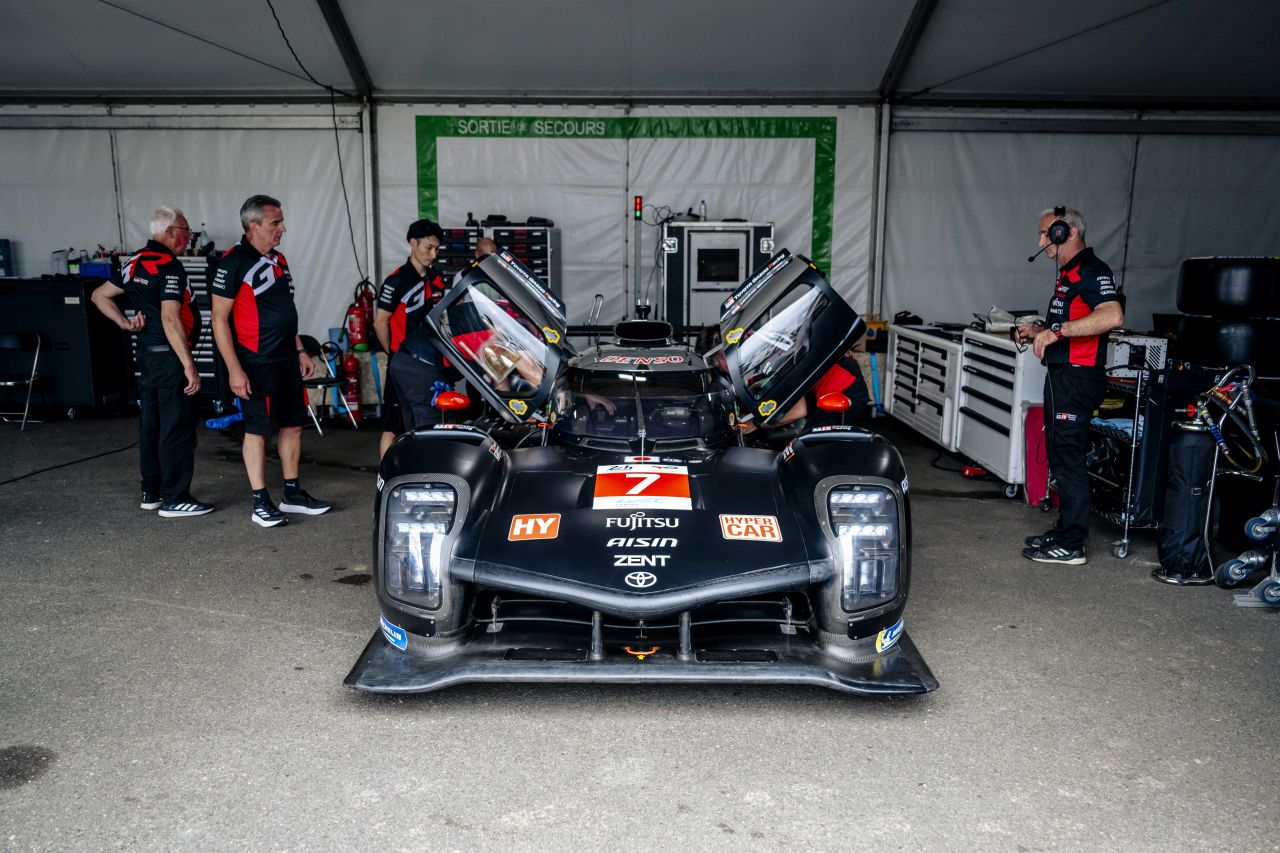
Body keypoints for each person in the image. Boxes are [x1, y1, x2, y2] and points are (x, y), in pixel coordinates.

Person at [210, 194, 331, 528]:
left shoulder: (279, 260)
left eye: (281, 221)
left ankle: (292, 493)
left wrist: (300, 350)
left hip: (286, 360)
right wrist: (235, 370)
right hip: (255, 363)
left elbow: (285, 312)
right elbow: (219, 320)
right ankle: (260, 501)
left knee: (293, 425)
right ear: (253, 226)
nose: (283, 228)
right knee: (258, 430)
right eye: (275, 223)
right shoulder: (232, 263)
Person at [1016, 206, 1124, 565]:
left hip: (1078, 377)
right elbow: (1072, 322)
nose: (1041, 242)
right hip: (1063, 375)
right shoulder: (1069, 273)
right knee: (1060, 456)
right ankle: (1065, 530)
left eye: (1046, 233)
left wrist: (1057, 331)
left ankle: (1073, 544)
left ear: (1068, 232)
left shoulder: (1091, 270)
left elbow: (1112, 315)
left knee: (1069, 458)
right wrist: (1038, 330)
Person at [90, 206, 213, 518]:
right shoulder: (169, 266)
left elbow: (99, 295)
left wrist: (123, 323)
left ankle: (152, 492)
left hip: (147, 356)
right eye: (186, 231)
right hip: (170, 358)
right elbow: (171, 319)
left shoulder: (134, 261)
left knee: (152, 425)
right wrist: (188, 364)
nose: (189, 237)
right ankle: (175, 498)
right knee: (177, 426)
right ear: (170, 232)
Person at [373, 219, 448, 458]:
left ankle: (421, 471)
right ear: (413, 243)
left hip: (430, 364)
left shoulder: (436, 279)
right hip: (403, 363)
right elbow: (380, 322)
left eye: (437, 249)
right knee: (392, 426)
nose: (433, 254)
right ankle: (385, 475)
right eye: (429, 247)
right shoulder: (397, 280)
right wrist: (393, 353)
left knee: (430, 424)